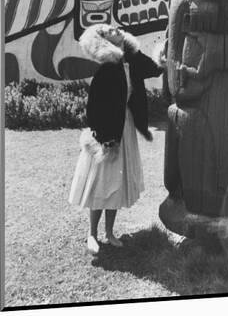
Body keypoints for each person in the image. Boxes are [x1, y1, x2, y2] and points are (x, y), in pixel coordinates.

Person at [68, 24, 165, 254]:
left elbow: (155, 69)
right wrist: (103, 139)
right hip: (108, 132)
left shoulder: (131, 62)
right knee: (102, 181)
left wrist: (150, 48)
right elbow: (94, 109)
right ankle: (92, 234)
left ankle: (109, 232)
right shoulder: (106, 69)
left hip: (126, 128)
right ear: (104, 41)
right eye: (107, 30)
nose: (115, 28)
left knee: (116, 183)